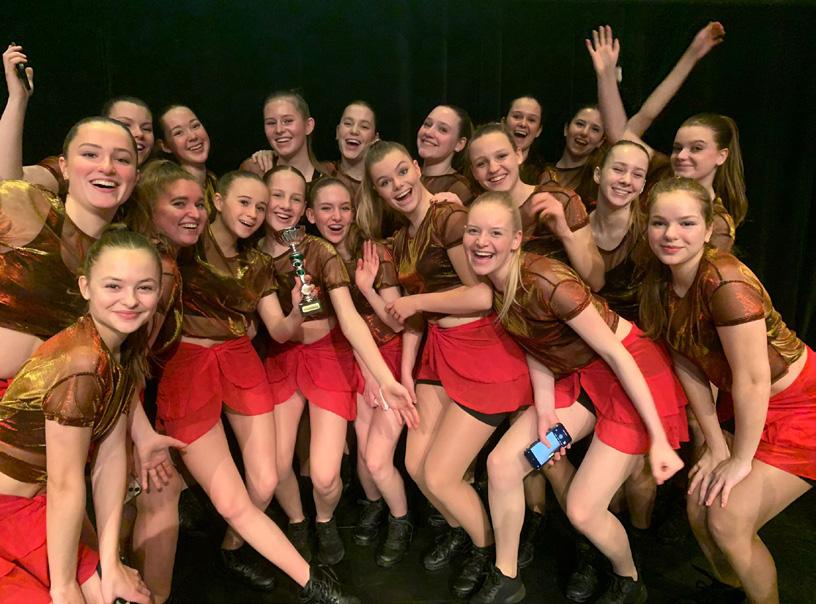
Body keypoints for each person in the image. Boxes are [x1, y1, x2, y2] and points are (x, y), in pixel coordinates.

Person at [401, 191, 686, 603]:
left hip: (629, 378)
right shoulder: (497, 284)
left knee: (583, 510)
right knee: (502, 464)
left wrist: (658, 438)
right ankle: (507, 576)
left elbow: (616, 354)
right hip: (579, 380)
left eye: (495, 233)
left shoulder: (550, 282)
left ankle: (628, 579)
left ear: (516, 239)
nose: (481, 242)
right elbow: (536, 344)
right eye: (473, 231)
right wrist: (547, 412)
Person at [156, 170, 360, 603]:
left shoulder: (258, 263)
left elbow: (279, 331)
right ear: (217, 201)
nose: (252, 213)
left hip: (241, 361)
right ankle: (312, 584)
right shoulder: (185, 245)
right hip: (189, 365)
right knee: (234, 494)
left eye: (260, 206)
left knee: (265, 481)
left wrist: (296, 311)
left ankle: (233, 549)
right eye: (244, 202)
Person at [358, 141, 533, 599]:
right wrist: (406, 373)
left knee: (440, 474)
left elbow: (482, 295)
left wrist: (417, 301)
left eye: (402, 172)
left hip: (480, 349)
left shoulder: (449, 218)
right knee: (416, 465)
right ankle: (465, 531)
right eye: (384, 182)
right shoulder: (401, 239)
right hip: (437, 350)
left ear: (417, 168)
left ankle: (487, 551)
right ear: (378, 192)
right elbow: (410, 318)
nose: (398, 185)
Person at [640, 177, 815, 604]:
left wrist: (739, 460)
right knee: (698, 503)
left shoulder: (726, 284)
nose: (671, 234)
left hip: (801, 407)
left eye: (685, 223)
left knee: (727, 520)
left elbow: (754, 379)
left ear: (707, 229)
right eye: (660, 223)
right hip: (751, 404)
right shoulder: (660, 282)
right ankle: (731, 589)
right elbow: (688, 362)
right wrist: (716, 445)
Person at [257, 165, 415, 567]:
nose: (286, 205)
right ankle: (297, 521)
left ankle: (325, 520)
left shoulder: (322, 251)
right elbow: (277, 331)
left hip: (333, 355)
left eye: (295, 198)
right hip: (282, 358)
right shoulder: (253, 257)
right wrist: (296, 312)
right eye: (278, 196)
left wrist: (387, 378)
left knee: (328, 475)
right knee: (276, 465)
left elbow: (352, 319)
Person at [0, 228, 162, 604]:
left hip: (39, 501)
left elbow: (110, 456)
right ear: (85, 287)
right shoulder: (82, 363)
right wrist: (64, 586)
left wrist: (111, 559)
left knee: (118, 588)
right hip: (12, 510)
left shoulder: (121, 349)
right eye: (113, 286)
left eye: (144, 288)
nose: (130, 300)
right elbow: (65, 483)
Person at [305, 177, 412, 567]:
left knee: (379, 460)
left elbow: (398, 322)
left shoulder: (373, 252)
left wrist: (366, 287)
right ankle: (374, 506)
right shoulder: (312, 257)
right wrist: (365, 372)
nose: (337, 217)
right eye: (327, 208)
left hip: (389, 358)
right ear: (311, 215)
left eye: (344, 207)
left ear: (355, 211)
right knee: (365, 459)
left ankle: (401, 521)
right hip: (355, 361)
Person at [123, 159, 208, 602]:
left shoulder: (153, 257)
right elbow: (125, 358)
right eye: (179, 204)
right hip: (118, 404)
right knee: (158, 490)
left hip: (123, 401)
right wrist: (137, 432)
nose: (194, 213)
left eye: (199, 204)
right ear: (149, 208)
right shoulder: (162, 270)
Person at [588, 23, 741, 251]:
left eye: (696, 148)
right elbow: (625, 131)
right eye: (677, 148)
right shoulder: (663, 172)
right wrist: (606, 76)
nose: (682, 156)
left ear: (721, 156)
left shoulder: (717, 221)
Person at [467, 123, 605, 291]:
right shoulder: (476, 217)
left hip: (561, 305)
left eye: (501, 156)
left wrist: (565, 234)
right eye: (481, 164)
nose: (493, 168)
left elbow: (596, 281)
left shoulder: (560, 200)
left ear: (518, 155)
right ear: (474, 173)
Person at [24, 95, 155, 197]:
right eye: (125, 125)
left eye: (147, 128)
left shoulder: (155, 178)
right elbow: (17, 184)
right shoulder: (77, 166)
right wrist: (18, 100)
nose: (139, 134)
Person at [241, 91, 329, 191]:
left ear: (308, 126)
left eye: (288, 121)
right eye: (271, 123)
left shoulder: (326, 187)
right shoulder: (254, 171)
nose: (279, 130)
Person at [540, 104, 607, 207]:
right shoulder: (537, 171)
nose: (584, 132)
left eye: (595, 129)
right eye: (580, 124)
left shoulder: (597, 185)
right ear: (566, 129)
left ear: (601, 141)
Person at [157, 105, 218, 217]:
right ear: (165, 146)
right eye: (178, 133)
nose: (193, 136)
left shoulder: (214, 182)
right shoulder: (168, 192)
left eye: (195, 126)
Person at [417, 105, 475, 204]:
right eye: (427, 124)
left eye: (443, 129)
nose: (429, 132)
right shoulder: (409, 175)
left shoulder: (460, 189)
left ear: (459, 144)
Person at [324, 101, 379, 200]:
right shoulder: (322, 174)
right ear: (337, 132)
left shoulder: (382, 182)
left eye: (364, 126)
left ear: (375, 139)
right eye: (348, 123)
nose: (354, 131)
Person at [503, 95, 545, 185]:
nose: (523, 124)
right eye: (517, 116)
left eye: (531, 120)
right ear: (503, 122)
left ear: (539, 131)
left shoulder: (544, 176)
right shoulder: (485, 167)